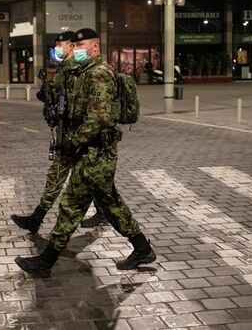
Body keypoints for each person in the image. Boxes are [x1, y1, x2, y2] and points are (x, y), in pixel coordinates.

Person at [15, 28, 155, 277]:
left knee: (71, 204)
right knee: (111, 203)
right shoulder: (82, 72)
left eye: (82, 47)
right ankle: (142, 248)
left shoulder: (100, 74)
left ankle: (45, 262)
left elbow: (99, 117)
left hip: (96, 152)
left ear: (95, 47)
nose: (77, 50)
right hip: (88, 150)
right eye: (75, 47)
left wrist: (73, 141)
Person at [11, 31, 108, 234]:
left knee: (88, 180)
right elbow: (60, 95)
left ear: (72, 46)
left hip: (79, 135)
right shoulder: (65, 67)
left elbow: (83, 104)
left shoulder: (80, 69)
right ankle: (38, 218)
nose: (57, 49)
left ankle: (105, 217)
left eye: (61, 45)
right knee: (60, 174)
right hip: (69, 132)